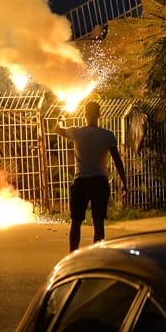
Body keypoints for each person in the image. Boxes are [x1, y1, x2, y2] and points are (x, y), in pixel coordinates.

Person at [55, 101, 128, 252]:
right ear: (99, 115)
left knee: (76, 222)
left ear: (85, 115)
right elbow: (117, 161)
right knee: (98, 223)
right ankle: (97, 256)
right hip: (100, 182)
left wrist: (61, 119)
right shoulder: (107, 136)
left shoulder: (77, 133)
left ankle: (73, 255)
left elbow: (58, 129)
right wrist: (124, 183)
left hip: (81, 182)